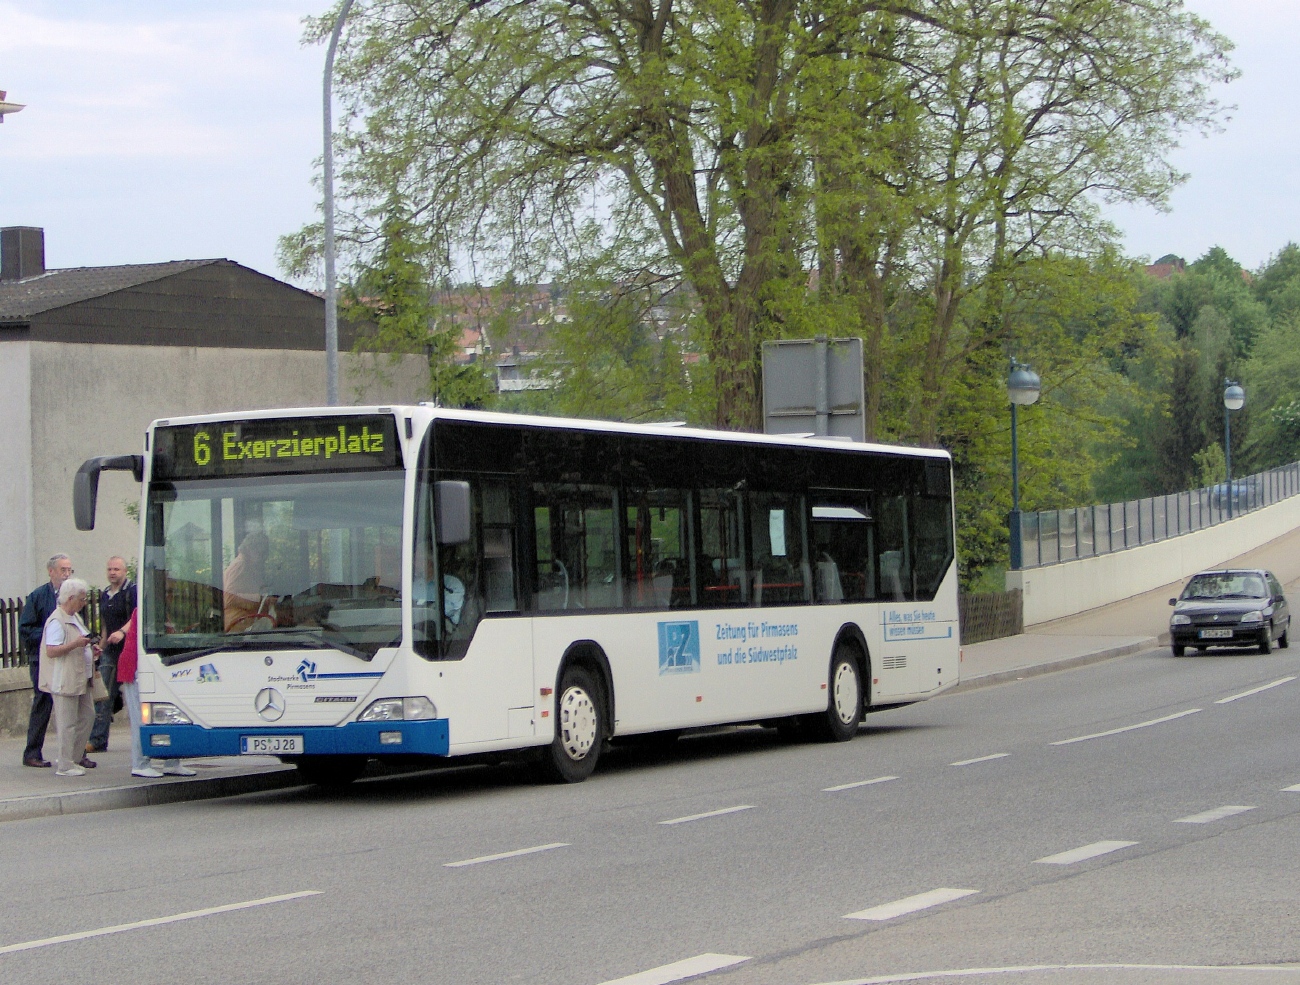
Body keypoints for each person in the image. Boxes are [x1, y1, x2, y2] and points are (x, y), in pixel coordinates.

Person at [117, 609, 195, 778]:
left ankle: (171, 761)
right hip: (136, 667)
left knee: (169, 715)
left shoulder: (156, 609)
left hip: (150, 666)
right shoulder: (148, 609)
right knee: (140, 717)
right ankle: (140, 763)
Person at [37, 578, 100, 777]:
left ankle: (72, 757)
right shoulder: (57, 620)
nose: (84, 603)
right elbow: (51, 651)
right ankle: (64, 764)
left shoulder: (75, 617)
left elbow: (81, 641)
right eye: (81, 600)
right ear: (70, 598)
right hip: (65, 678)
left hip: (82, 676)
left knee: (88, 715)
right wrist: (76, 644)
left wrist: (91, 647)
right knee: (67, 723)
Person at [19, 553, 73, 767]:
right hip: (42, 659)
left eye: (69, 570)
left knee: (72, 704)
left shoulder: (74, 595)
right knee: (42, 703)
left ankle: (75, 753)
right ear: (51, 572)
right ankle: (32, 753)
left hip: (67, 658)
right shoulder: (38, 596)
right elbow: (25, 629)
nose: (67, 574)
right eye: (63, 570)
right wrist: (51, 634)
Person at [88, 555, 136, 754]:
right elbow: (107, 625)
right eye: (109, 569)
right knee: (103, 696)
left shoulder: (131, 591)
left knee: (134, 695)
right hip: (111, 652)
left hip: (130, 649)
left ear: (125, 571)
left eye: (116, 569)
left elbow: (137, 616)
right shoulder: (105, 594)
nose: (112, 573)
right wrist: (101, 645)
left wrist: (123, 632)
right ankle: (98, 740)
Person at [223, 531, 273, 633]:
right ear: (250, 549)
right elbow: (229, 598)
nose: (264, 558)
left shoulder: (251, 567)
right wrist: (260, 600)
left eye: (266, 553)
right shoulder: (241, 566)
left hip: (247, 621)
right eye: (261, 553)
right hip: (237, 624)